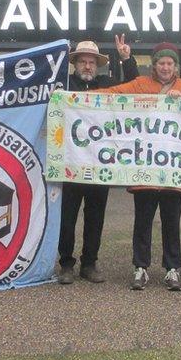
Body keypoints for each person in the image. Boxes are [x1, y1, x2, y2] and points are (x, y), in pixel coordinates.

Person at [98, 42, 181, 291]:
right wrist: (76, 99)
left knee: (171, 222)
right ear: (154, 65)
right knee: (143, 221)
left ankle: (172, 269)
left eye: (169, 63)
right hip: (144, 170)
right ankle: (140, 267)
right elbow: (115, 93)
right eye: (161, 63)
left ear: (175, 66)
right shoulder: (140, 84)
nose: (165, 67)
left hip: (174, 171)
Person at [57, 35, 139, 285]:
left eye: (92, 62)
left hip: (99, 166)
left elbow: (133, 87)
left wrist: (127, 59)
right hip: (69, 164)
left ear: (98, 65)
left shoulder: (107, 84)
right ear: (75, 64)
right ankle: (66, 264)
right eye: (83, 62)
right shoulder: (64, 85)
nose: (87, 66)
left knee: (95, 217)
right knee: (67, 217)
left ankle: (89, 263)